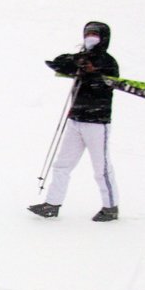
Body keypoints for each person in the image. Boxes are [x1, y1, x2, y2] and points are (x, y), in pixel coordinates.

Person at [29, 21, 120, 222]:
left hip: (97, 122)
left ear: (103, 37)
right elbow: (56, 63)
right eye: (88, 33)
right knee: (62, 165)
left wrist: (93, 73)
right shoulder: (82, 57)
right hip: (75, 120)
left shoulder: (108, 61)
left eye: (95, 34)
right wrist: (76, 62)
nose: (91, 38)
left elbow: (104, 86)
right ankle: (52, 204)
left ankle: (110, 207)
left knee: (101, 168)